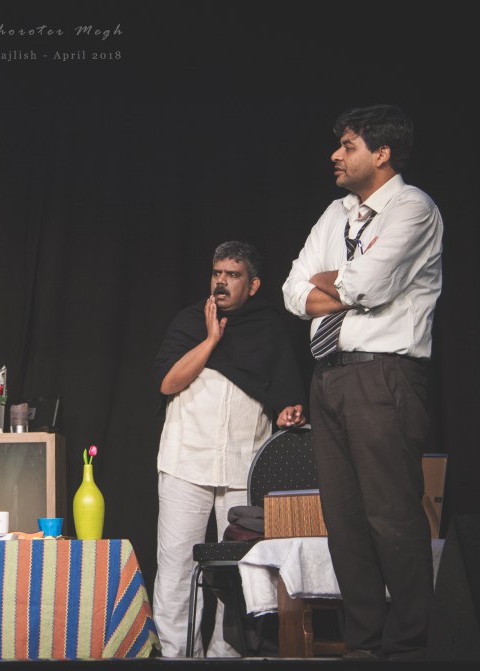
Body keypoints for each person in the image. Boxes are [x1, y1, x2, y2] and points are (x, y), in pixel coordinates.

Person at [281, 104, 443, 661]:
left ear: (382, 153)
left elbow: (369, 284)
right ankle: (365, 644)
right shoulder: (336, 213)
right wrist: (339, 285)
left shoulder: (413, 208)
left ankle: (411, 644)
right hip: (328, 377)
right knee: (344, 520)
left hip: (383, 375)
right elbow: (291, 290)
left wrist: (333, 283)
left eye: (348, 146)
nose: (336, 154)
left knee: (391, 514)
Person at [151, 241, 306, 658]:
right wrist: (210, 340)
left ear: (252, 284)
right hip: (186, 461)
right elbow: (167, 383)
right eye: (217, 273)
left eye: (232, 275)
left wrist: (288, 412)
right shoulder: (190, 322)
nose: (221, 281)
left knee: (240, 571)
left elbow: (285, 395)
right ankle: (177, 656)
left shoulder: (269, 328)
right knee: (176, 567)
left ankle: (226, 656)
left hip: (243, 465)